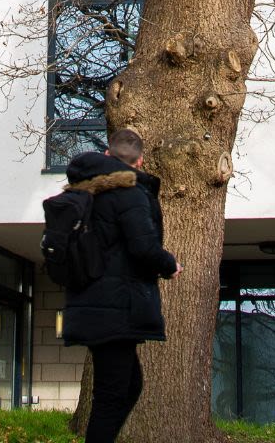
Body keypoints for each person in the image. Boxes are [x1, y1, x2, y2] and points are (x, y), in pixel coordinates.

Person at [60, 128, 179, 443]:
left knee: (129, 386)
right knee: (112, 395)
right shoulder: (130, 193)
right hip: (116, 306)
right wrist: (170, 264)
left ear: (108, 156)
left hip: (94, 301)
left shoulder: (86, 190)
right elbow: (143, 247)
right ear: (139, 162)